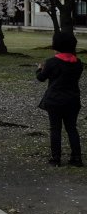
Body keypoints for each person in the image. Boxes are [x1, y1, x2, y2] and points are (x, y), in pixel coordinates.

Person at [36, 32, 83, 167]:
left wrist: (39, 69)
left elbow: (41, 78)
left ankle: (56, 158)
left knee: (55, 129)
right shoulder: (78, 63)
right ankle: (76, 158)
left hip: (55, 100)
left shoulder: (52, 62)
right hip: (73, 100)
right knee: (72, 128)